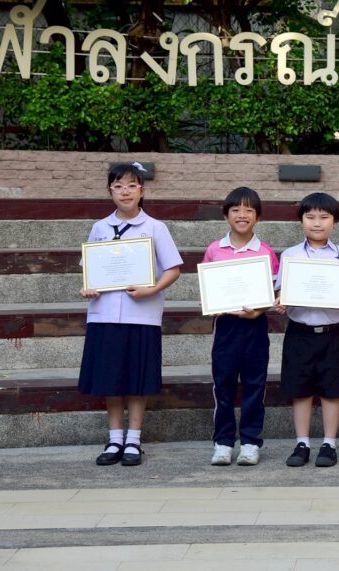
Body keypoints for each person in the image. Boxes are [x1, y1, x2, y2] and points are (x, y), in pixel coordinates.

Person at [78, 162, 182, 467]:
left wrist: (152, 289)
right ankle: (114, 439)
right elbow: (90, 272)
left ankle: (134, 440)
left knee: (137, 380)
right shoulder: (100, 227)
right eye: (118, 186)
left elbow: (173, 269)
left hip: (142, 316)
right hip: (104, 316)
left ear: (142, 190)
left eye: (132, 186)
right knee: (110, 380)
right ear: (110, 191)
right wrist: (88, 288)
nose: (125, 192)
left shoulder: (155, 227)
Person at [275, 193, 339, 468]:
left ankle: (329, 444)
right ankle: (302, 443)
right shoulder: (291, 255)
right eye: (310, 217)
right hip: (299, 332)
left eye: (324, 217)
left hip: (333, 332)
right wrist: (281, 300)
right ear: (301, 220)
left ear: (335, 222)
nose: (317, 223)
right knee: (300, 390)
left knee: (331, 390)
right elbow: (281, 289)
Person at [202, 187, 279, 467]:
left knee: (254, 385)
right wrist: (212, 303)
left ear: (258, 216)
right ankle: (223, 443)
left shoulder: (265, 252)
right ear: (226, 215)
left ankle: (250, 442)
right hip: (225, 326)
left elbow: (272, 293)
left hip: (254, 326)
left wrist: (258, 310)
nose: (242, 215)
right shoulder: (214, 250)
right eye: (235, 210)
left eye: (249, 210)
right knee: (223, 385)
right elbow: (207, 289)